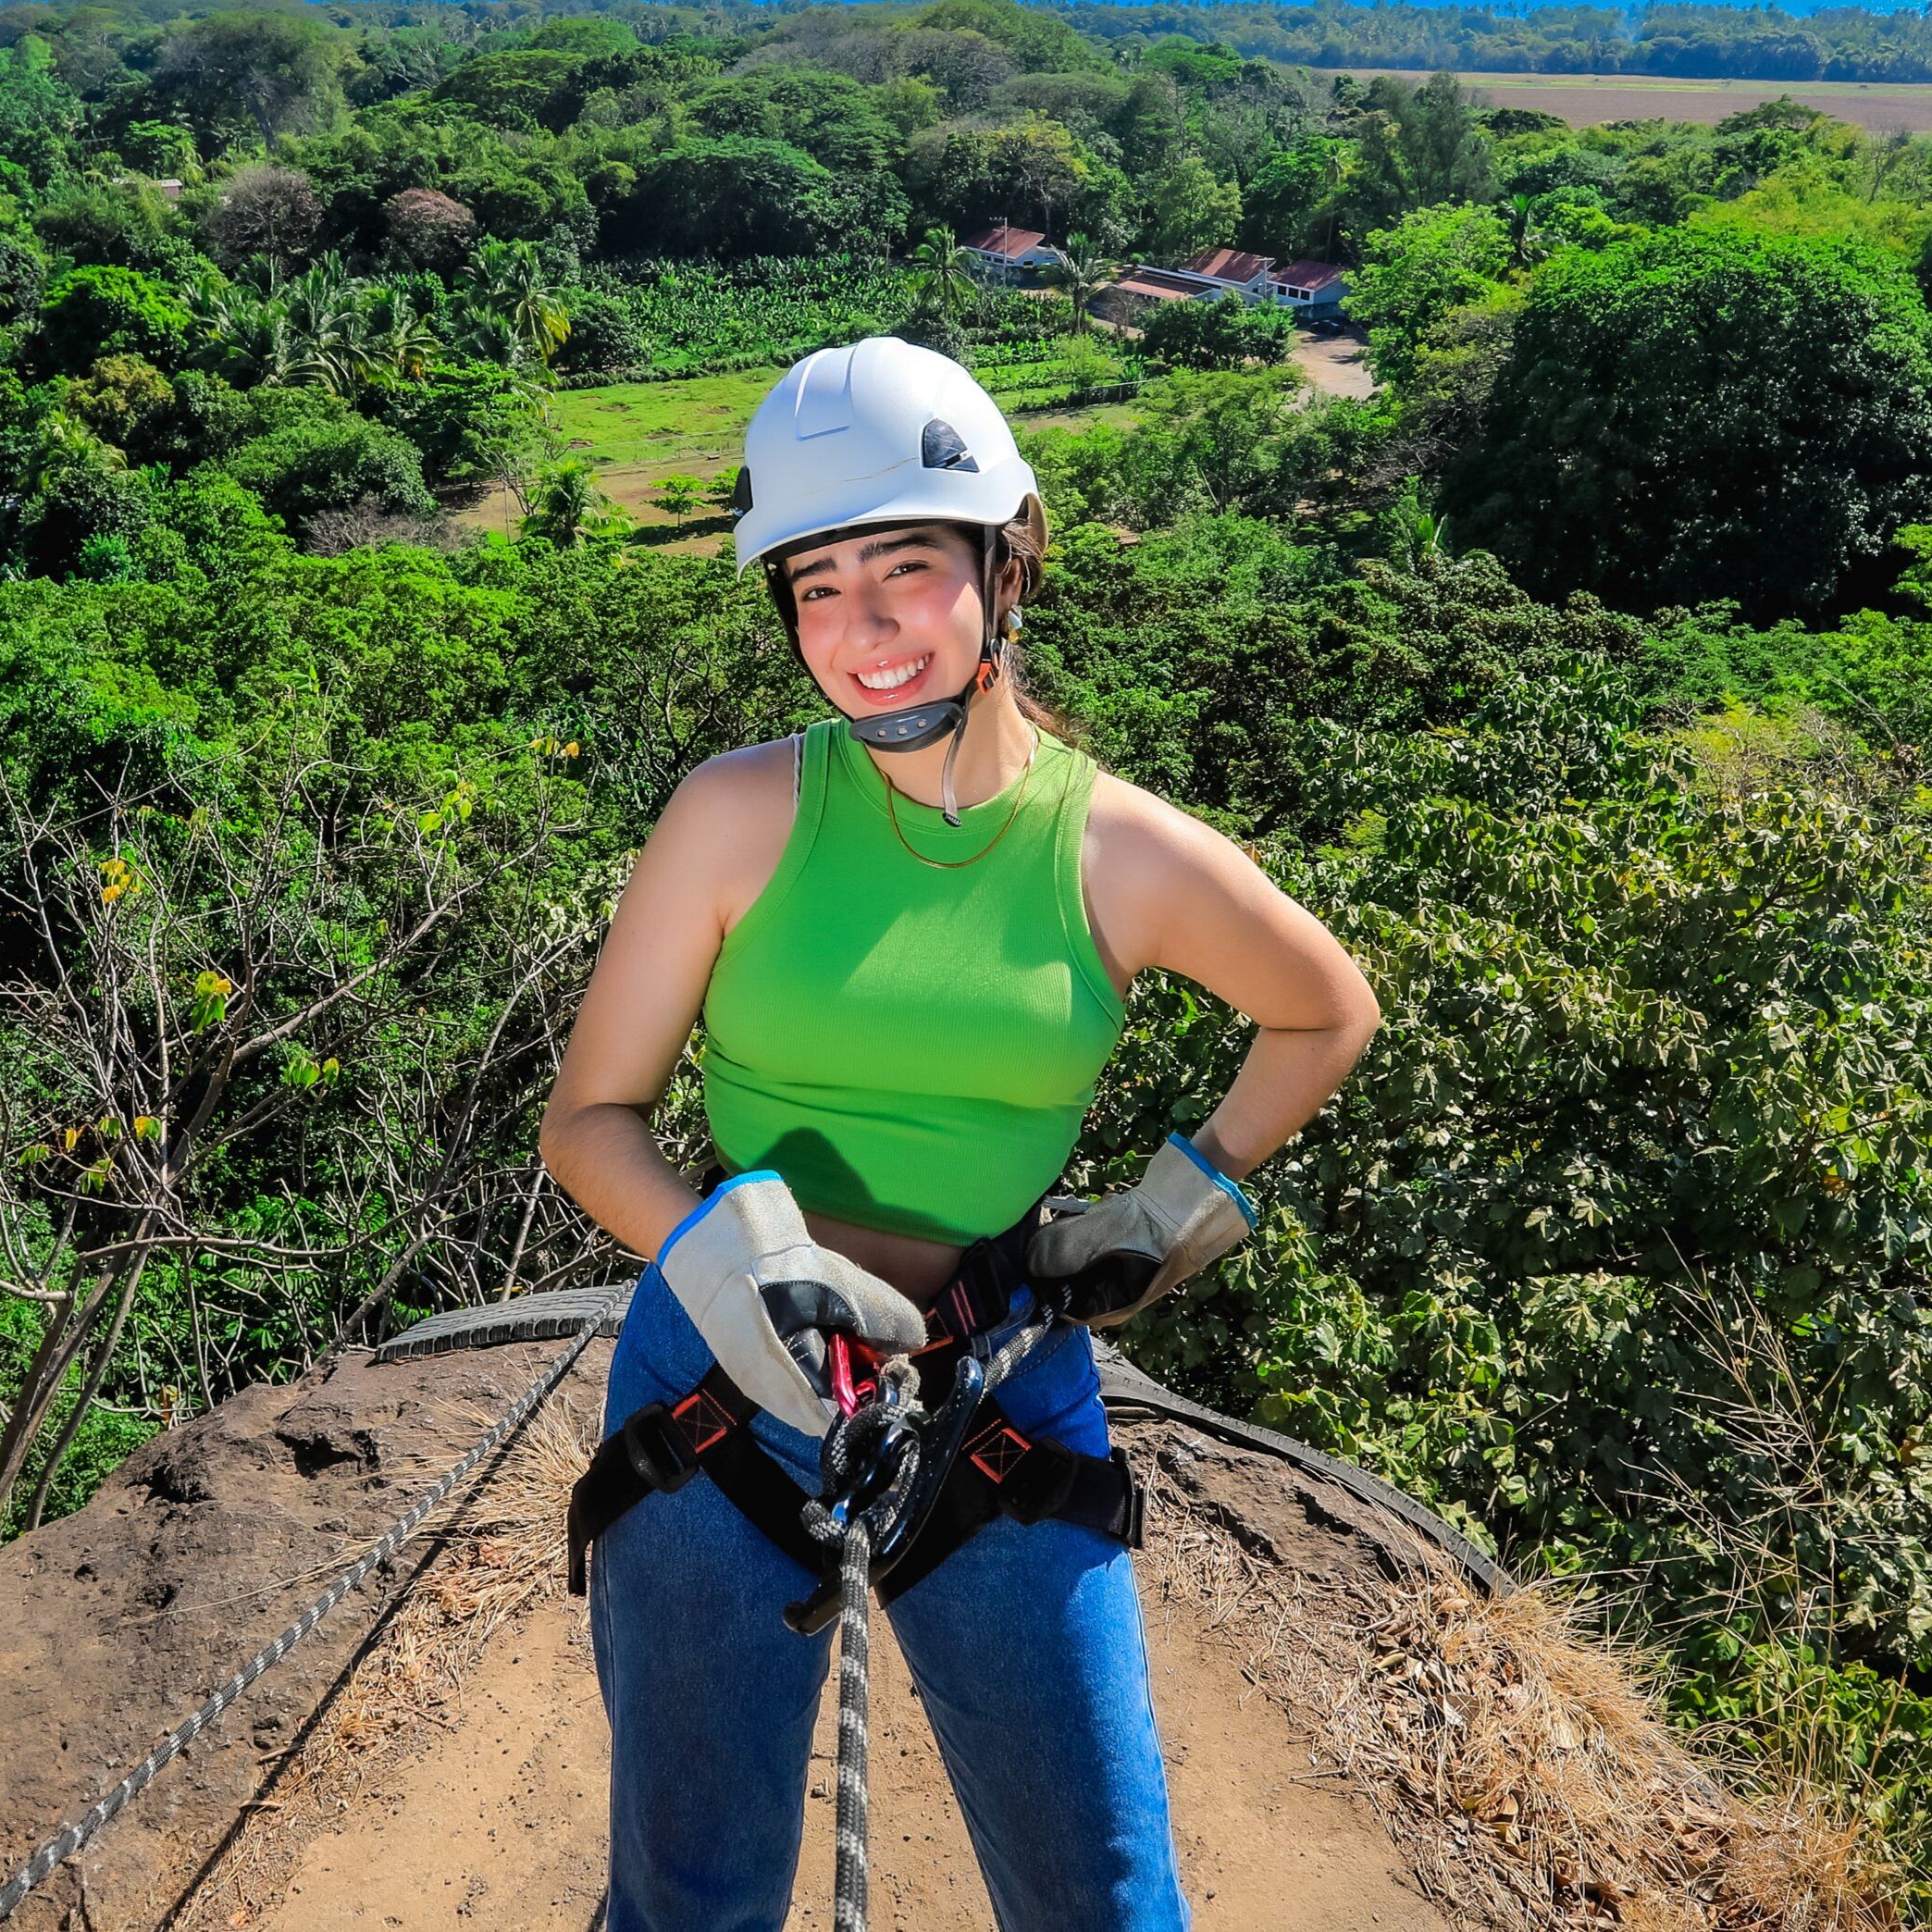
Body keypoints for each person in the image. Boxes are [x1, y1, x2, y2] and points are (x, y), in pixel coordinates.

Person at [538, 334, 1382, 1932]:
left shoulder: (1115, 851)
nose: (859, 635)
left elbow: (1326, 1007)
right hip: (717, 1380)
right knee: (692, 1898)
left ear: (1006, 565)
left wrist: (1177, 1203)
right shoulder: (738, 814)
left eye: (905, 571)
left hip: (995, 1374)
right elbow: (590, 1118)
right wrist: (719, 1250)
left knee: (1105, 1900)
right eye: (815, 587)